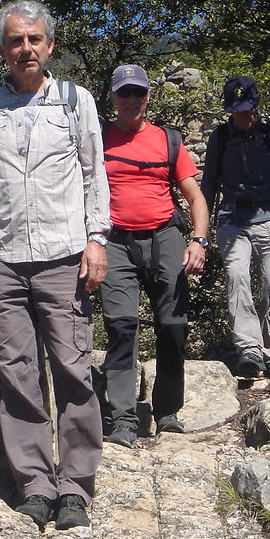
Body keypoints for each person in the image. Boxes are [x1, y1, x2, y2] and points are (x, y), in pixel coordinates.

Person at [0, 0, 110, 530]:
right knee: (17, 374)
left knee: (73, 368)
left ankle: (76, 488)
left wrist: (97, 240)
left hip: (64, 255)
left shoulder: (73, 101)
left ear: (49, 45)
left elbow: (94, 175)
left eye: (34, 39)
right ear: (3, 48)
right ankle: (36, 485)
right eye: (16, 41)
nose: (26, 49)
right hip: (5, 258)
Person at [99, 65, 210, 448]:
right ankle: (124, 418)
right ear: (112, 97)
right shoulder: (98, 139)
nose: (132, 100)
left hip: (165, 235)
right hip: (115, 240)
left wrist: (199, 241)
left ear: (147, 97)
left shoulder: (167, 140)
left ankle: (166, 412)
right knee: (121, 327)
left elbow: (195, 196)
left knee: (173, 327)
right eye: (125, 93)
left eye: (139, 93)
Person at [200, 76, 270, 376]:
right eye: (237, 110)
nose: (243, 116)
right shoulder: (220, 138)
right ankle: (249, 348)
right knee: (237, 276)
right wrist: (200, 233)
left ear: (258, 102)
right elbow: (209, 185)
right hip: (232, 218)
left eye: (248, 108)